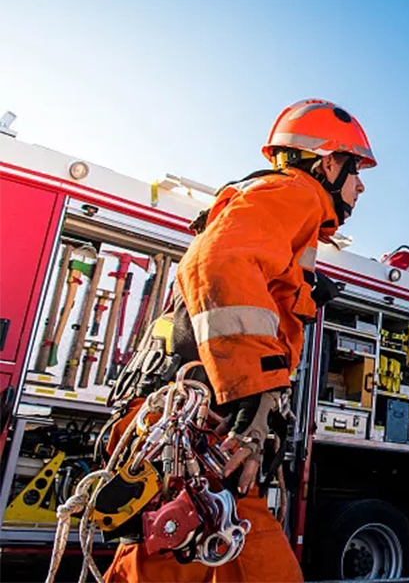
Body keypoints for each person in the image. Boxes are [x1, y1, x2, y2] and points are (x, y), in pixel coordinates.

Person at [104, 99, 376, 582]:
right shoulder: (297, 191)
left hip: (195, 426)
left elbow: (238, 274)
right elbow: (218, 266)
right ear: (329, 162)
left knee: (191, 554)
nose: (360, 185)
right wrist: (253, 395)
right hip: (205, 424)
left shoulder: (280, 206)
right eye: (356, 171)